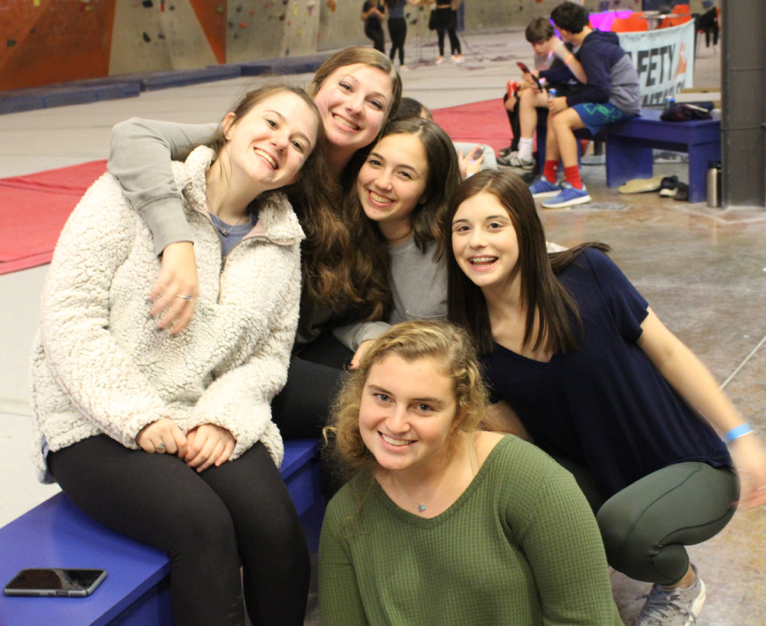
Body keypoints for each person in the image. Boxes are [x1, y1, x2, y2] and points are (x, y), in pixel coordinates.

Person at [31, 85, 325, 626]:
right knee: (203, 529)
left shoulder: (282, 243)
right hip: (94, 418)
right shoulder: (129, 194)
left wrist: (225, 418)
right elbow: (67, 318)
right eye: (269, 123)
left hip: (199, 413)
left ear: (295, 173)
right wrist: (136, 416)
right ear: (230, 124)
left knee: (275, 530)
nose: (279, 144)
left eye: (298, 144)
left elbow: (268, 356)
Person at [444, 170, 766, 626]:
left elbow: (669, 352)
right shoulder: (472, 338)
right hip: (600, 479)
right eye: (463, 228)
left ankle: (680, 585)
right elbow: (523, 443)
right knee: (549, 508)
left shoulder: (588, 275)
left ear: (525, 229)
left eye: (494, 225)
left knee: (624, 532)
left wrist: (741, 436)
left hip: (684, 463)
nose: (477, 242)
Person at [105, 47, 403, 444]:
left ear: (384, 123)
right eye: (345, 86)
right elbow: (134, 134)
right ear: (317, 87)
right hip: (237, 358)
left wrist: (372, 333)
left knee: (398, 384)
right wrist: (177, 242)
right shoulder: (264, 149)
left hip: (290, 350)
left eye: (374, 103)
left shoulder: (368, 184)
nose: (354, 106)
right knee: (373, 404)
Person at [319, 320, 633, 626]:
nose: (396, 424)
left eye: (423, 406)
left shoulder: (529, 480)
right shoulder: (346, 515)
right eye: (382, 397)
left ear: (460, 414)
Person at [331, 117, 461, 371]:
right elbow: (335, 321)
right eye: (376, 163)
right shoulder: (342, 233)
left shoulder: (453, 250)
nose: (382, 182)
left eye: (404, 174)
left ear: (427, 191)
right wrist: (373, 335)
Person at [528, 1, 642, 208]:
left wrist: (568, 101)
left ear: (563, 30)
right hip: (615, 98)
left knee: (561, 119)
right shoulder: (590, 41)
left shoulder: (592, 49)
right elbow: (571, 72)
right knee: (555, 114)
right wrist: (542, 75)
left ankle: (575, 186)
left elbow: (601, 90)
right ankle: (549, 179)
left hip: (620, 103)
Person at [496, 17, 566, 174]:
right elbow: (541, 80)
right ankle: (517, 146)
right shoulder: (540, 55)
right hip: (546, 89)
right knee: (512, 95)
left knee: (524, 97)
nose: (537, 48)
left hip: (560, 93)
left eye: (541, 43)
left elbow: (554, 79)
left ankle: (524, 152)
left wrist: (527, 88)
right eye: (534, 44)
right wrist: (522, 86)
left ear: (552, 38)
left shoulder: (560, 52)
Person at [393, 96, 495, 178]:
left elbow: (484, 150)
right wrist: (468, 175)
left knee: (484, 151)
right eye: (425, 123)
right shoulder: (410, 162)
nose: (431, 127)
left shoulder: (434, 143)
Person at [431, 0, 462, 65]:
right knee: (440, 34)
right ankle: (441, 55)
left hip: (448, 10)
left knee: (452, 33)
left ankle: (456, 54)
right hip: (439, 11)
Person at [385, 0, 413, 69]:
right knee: (400, 44)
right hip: (400, 21)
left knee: (394, 44)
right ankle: (402, 64)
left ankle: (391, 61)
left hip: (391, 22)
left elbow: (385, 11)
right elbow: (413, 3)